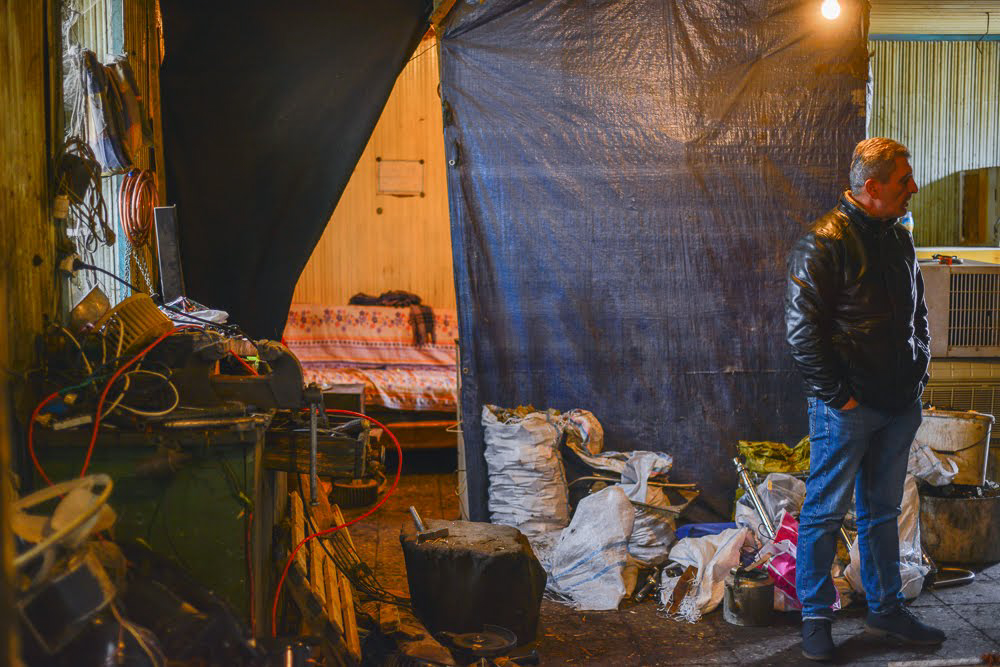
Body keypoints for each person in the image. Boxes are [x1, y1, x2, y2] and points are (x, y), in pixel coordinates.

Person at [785, 137, 945, 661]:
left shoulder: (897, 239)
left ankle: (886, 610)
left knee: (880, 511)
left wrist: (917, 376)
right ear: (871, 188)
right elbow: (801, 333)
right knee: (824, 514)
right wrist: (841, 400)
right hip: (848, 410)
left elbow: (918, 313)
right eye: (904, 181)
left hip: (899, 404)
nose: (914, 188)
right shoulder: (823, 243)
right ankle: (815, 616)